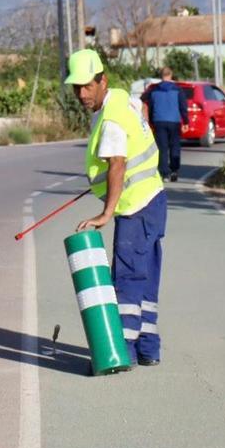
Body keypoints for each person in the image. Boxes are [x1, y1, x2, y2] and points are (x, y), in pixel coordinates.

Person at [66, 49, 168, 367]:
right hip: (153, 198)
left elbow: (118, 166)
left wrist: (105, 213)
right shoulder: (122, 101)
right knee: (145, 278)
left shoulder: (110, 119)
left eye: (87, 86)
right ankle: (148, 348)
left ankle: (120, 350)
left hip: (134, 206)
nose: (82, 94)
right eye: (76, 87)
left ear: (102, 81)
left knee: (125, 278)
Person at [142, 67, 189, 182]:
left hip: (159, 122)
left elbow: (146, 101)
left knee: (162, 149)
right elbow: (183, 107)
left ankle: (164, 174)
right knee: (175, 147)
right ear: (171, 75)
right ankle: (174, 171)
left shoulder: (154, 90)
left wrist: (151, 121)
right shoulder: (178, 90)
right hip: (174, 122)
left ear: (160, 76)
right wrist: (186, 121)